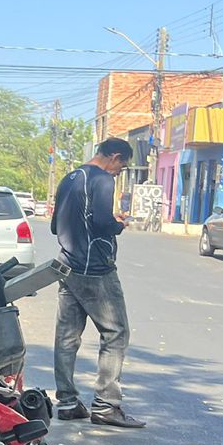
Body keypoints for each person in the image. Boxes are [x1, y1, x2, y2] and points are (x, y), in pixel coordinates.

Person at [50, 137, 144, 427]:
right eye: (122, 166)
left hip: (67, 265)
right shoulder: (102, 180)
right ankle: (106, 404)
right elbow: (103, 222)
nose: (119, 173)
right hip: (95, 269)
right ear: (114, 157)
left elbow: (55, 225)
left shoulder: (70, 178)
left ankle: (66, 401)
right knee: (116, 333)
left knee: (67, 336)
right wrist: (119, 224)